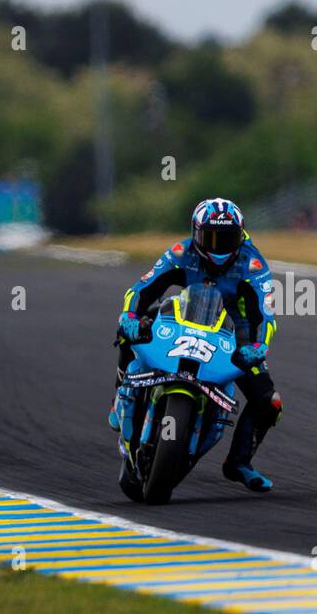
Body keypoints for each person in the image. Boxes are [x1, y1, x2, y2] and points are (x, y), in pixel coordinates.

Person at [110, 198, 282, 492]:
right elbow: (142, 288)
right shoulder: (181, 251)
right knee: (133, 329)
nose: (218, 247)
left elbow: (266, 316)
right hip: (183, 317)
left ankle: (239, 462)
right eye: (210, 238)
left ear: (239, 235)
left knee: (270, 402)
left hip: (233, 332)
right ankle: (119, 394)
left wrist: (257, 347)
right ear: (196, 234)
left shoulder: (252, 263)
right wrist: (129, 316)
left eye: (226, 238)